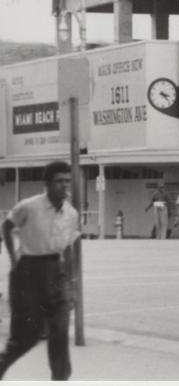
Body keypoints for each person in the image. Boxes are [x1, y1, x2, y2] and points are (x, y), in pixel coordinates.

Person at [0, 159, 80, 381]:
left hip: (57, 273)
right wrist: (13, 256)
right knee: (25, 339)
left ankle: (60, 379)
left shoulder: (71, 214)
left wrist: (72, 285)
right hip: (28, 274)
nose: (64, 186)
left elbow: (70, 249)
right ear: (47, 183)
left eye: (67, 181)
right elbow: (7, 226)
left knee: (60, 334)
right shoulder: (29, 206)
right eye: (58, 181)